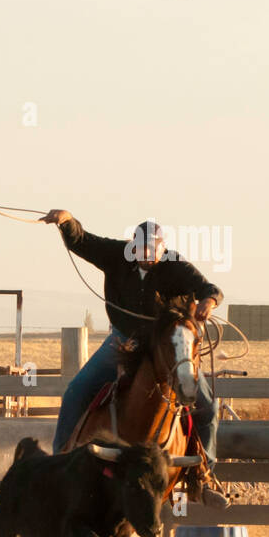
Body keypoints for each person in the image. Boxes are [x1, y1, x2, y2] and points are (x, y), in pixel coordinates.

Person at [42, 210, 227, 507]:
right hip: (122, 339)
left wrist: (209, 300)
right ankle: (57, 466)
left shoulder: (175, 266)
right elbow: (84, 242)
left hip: (162, 347)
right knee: (76, 392)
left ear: (163, 248)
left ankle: (203, 476)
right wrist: (67, 221)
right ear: (133, 247)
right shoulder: (117, 255)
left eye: (153, 250)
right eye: (142, 249)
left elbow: (208, 287)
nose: (147, 256)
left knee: (205, 405)